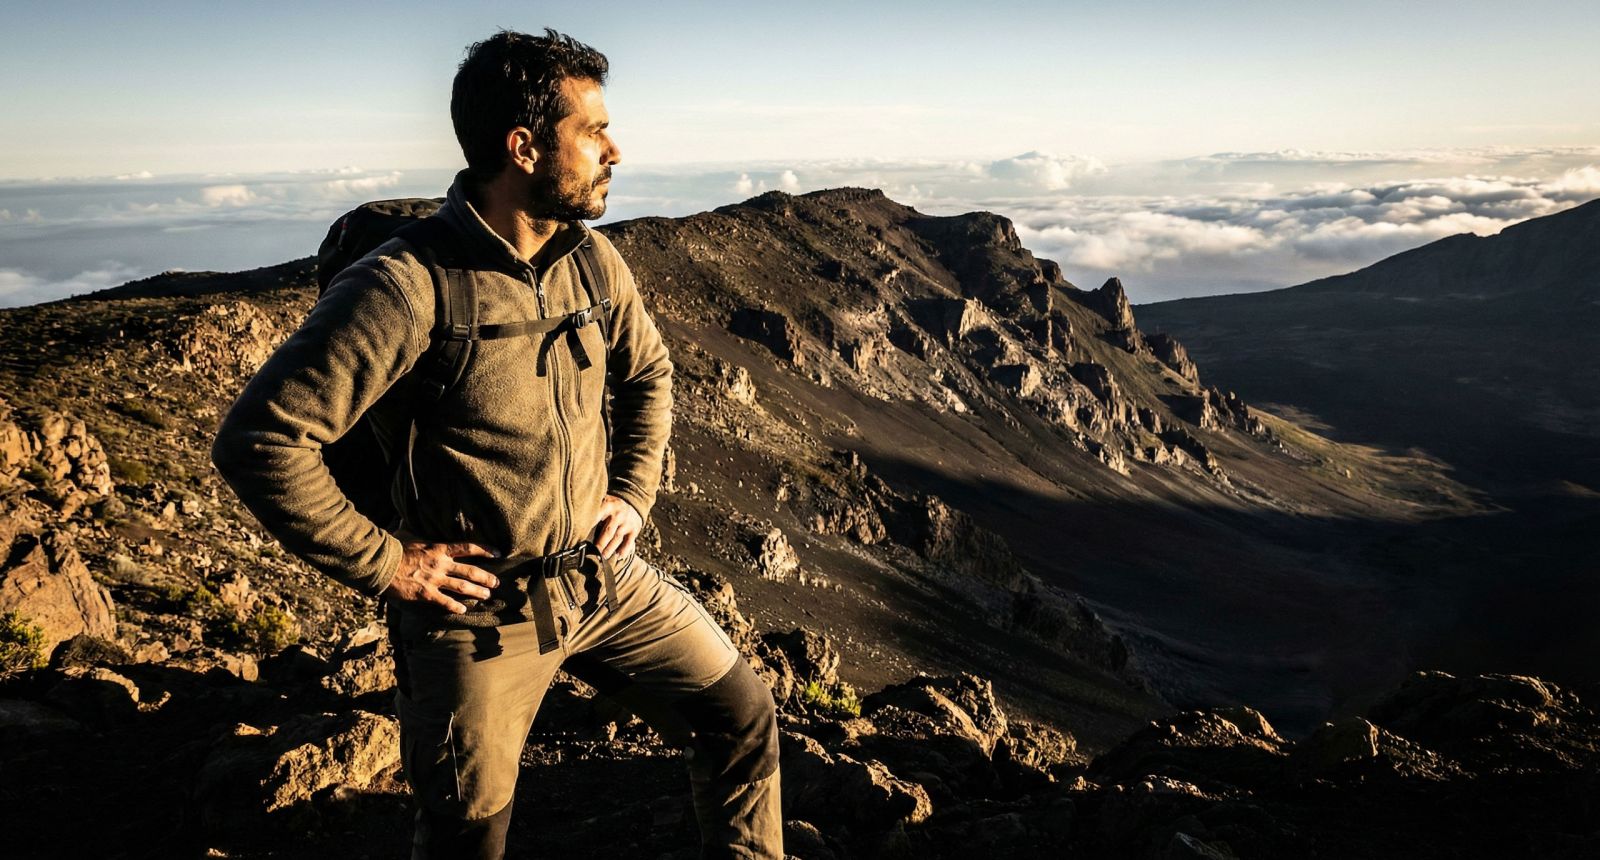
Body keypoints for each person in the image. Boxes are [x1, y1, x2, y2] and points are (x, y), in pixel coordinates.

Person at [211, 28, 781, 859]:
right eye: (593, 132)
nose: (615, 151)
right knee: (470, 835)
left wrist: (632, 492)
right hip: (476, 614)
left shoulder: (591, 262)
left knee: (741, 718)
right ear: (523, 147)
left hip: (599, 576)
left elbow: (649, 374)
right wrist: (390, 564)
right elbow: (260, 439)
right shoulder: (406, 288)